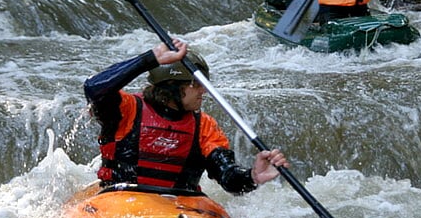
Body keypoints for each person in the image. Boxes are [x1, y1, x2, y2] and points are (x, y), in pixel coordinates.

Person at [84, 39, 289, 193]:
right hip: (120, 200)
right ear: (172, 86)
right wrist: (149, 59)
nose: (204, 91)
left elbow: (226, 175)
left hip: (177, 208)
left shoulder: (204, 126)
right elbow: (94, 88)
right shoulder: (127, 109)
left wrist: (252, 176)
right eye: (196, 84)